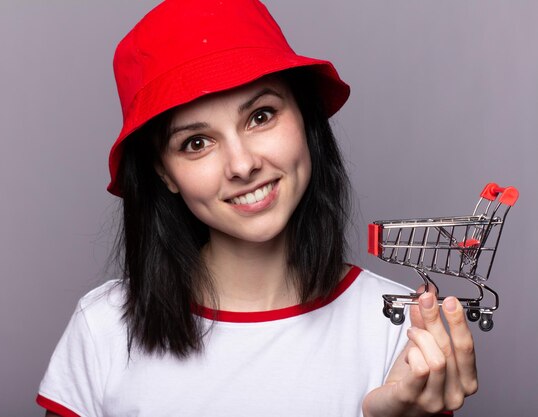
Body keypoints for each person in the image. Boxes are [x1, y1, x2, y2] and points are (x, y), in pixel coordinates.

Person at [37, 1, 477, 416]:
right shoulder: (104, 331)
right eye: (196, 143)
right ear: (164, 173)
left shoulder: (400, 332)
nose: (243, 164)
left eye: (261, 116)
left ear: (305, 118)